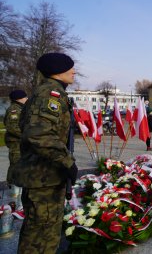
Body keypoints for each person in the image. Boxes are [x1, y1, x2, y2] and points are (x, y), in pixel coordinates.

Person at [12, 52, 78, 254]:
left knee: (39, 231)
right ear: (58, 72)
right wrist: (68, 162)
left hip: (45, 176)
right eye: (70, 68)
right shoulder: (50, 94)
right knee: (41, 236)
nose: (74, 72)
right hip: (43, 178)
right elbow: (38, 134)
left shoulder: (49, 92)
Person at [4, 89, 28, 217]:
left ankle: (19, 197)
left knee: (19, 168)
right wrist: (28, 134)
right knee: (16, 167)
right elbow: (13, 127)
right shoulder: (14, 110)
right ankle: (15, 198)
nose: (27, 98)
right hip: (16, 144)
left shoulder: (21, 108)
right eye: (25, 97)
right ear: (19, 98)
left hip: (21, 144)